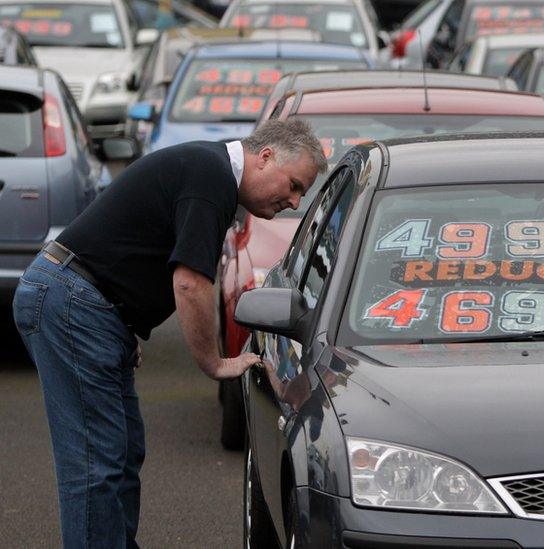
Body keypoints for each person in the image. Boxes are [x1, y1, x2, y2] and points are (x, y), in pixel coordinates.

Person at [12, 119, 327, 548]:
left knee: (122, 455)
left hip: (89, 307)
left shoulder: (210, 172)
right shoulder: (210, 176)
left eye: (301, 194)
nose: (293, 201)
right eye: (293, 185)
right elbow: (190, 282)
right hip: (70, 301)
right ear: (266, 156)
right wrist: (214, 363)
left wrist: (122, 324)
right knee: (95, 466)